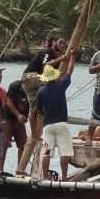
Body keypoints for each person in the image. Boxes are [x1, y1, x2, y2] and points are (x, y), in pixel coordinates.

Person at [16, 36, 68, 173]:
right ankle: (34, 133)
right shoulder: (47, 52)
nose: (63, 44)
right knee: (50, 83)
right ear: (53, 43)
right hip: (30, 77)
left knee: (34, 108)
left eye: (65, 43)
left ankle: (34, 134)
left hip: (33, 86)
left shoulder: (59, 55)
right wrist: (62, 59)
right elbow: (46, 66)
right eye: (60, 42)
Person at [35, 48, 77, 180]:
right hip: (61, 124)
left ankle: (45, 177)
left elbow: (38, 110)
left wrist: (43, 113)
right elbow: (69, 71)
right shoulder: (60, 85)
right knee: (64, 152)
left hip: (48, 126)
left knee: (46, 152)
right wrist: (72, 57)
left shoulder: (41, 91)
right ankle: (64, 177)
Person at [2, 76, 29, 170]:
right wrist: (18, 115)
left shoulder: (33, 88)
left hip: (20, 120)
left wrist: (27, 117)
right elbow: (9, 102)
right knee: (4, 144)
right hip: (8, 118)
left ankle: (20, 169)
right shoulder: (15, 86)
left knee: (23, 145)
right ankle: (0, 169)